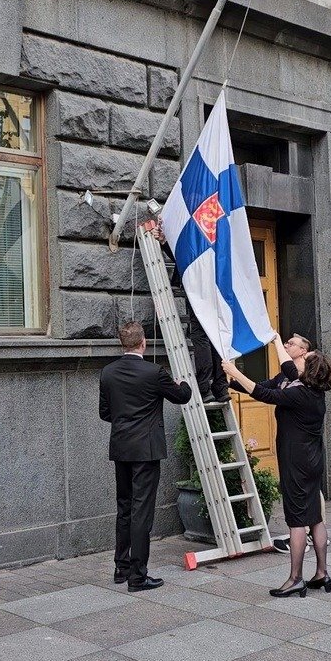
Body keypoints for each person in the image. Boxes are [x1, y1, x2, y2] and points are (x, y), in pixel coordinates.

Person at [222, 334, 331, 599]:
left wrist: (234, 369)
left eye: (304, 358)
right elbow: (284, 371)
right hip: (312, 460)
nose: (298, 361)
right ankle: (321, 573)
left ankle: (295, 579)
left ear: (308, 369)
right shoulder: (313, 391)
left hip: (296, 462)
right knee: (314, 516)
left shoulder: (298, 394)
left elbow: (263, 393)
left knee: (296, 520)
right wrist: (275, 338)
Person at [99, 321, 192, 591]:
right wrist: (182, 380)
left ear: (122, 343)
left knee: (125, 507)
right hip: (146, 450)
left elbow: (105, 413)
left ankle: (121, 567)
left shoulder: (108, 372)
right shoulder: (154, 372)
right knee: (142, 511)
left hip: (121, 448)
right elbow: (182, 396)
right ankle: (138, 577)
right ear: (143, 343)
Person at [154, 222, 230, 403]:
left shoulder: (196, 225)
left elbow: (186, 256)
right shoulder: (217, 227)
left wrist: (165, 241)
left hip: (199, 285)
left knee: (200, 334)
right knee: (215, 335)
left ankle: (205, 386)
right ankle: (220, 387)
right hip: (219, 285)